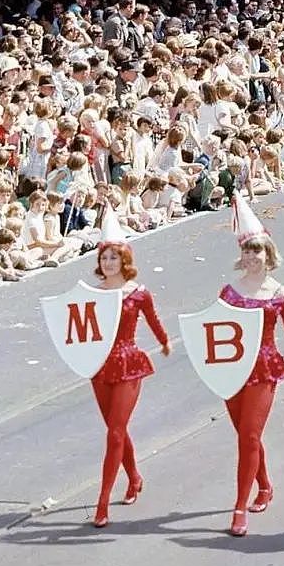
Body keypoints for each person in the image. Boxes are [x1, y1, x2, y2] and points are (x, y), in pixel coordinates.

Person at [217, 194, 284, 537]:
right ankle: (265, 484)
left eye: (258, 251)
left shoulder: (281, 293)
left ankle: (240, 507)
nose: (252, 256)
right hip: (232, 368)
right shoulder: (228, 291)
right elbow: (215, 331)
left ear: (270, 255)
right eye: (248, 251)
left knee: (249, 435)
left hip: (263, 368)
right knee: (245, 435)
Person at [90, 211, 170, 528]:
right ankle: (134, 477)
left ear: (125, 260)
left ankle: (102, 502)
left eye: (114, 257)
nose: (109, 262)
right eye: (105, 257)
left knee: (114, 432)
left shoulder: (139, 293)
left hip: (128, 362)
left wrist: (164, 342)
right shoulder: (92, 294)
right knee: (116, 427)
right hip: (99, 365)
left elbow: (153, 322)